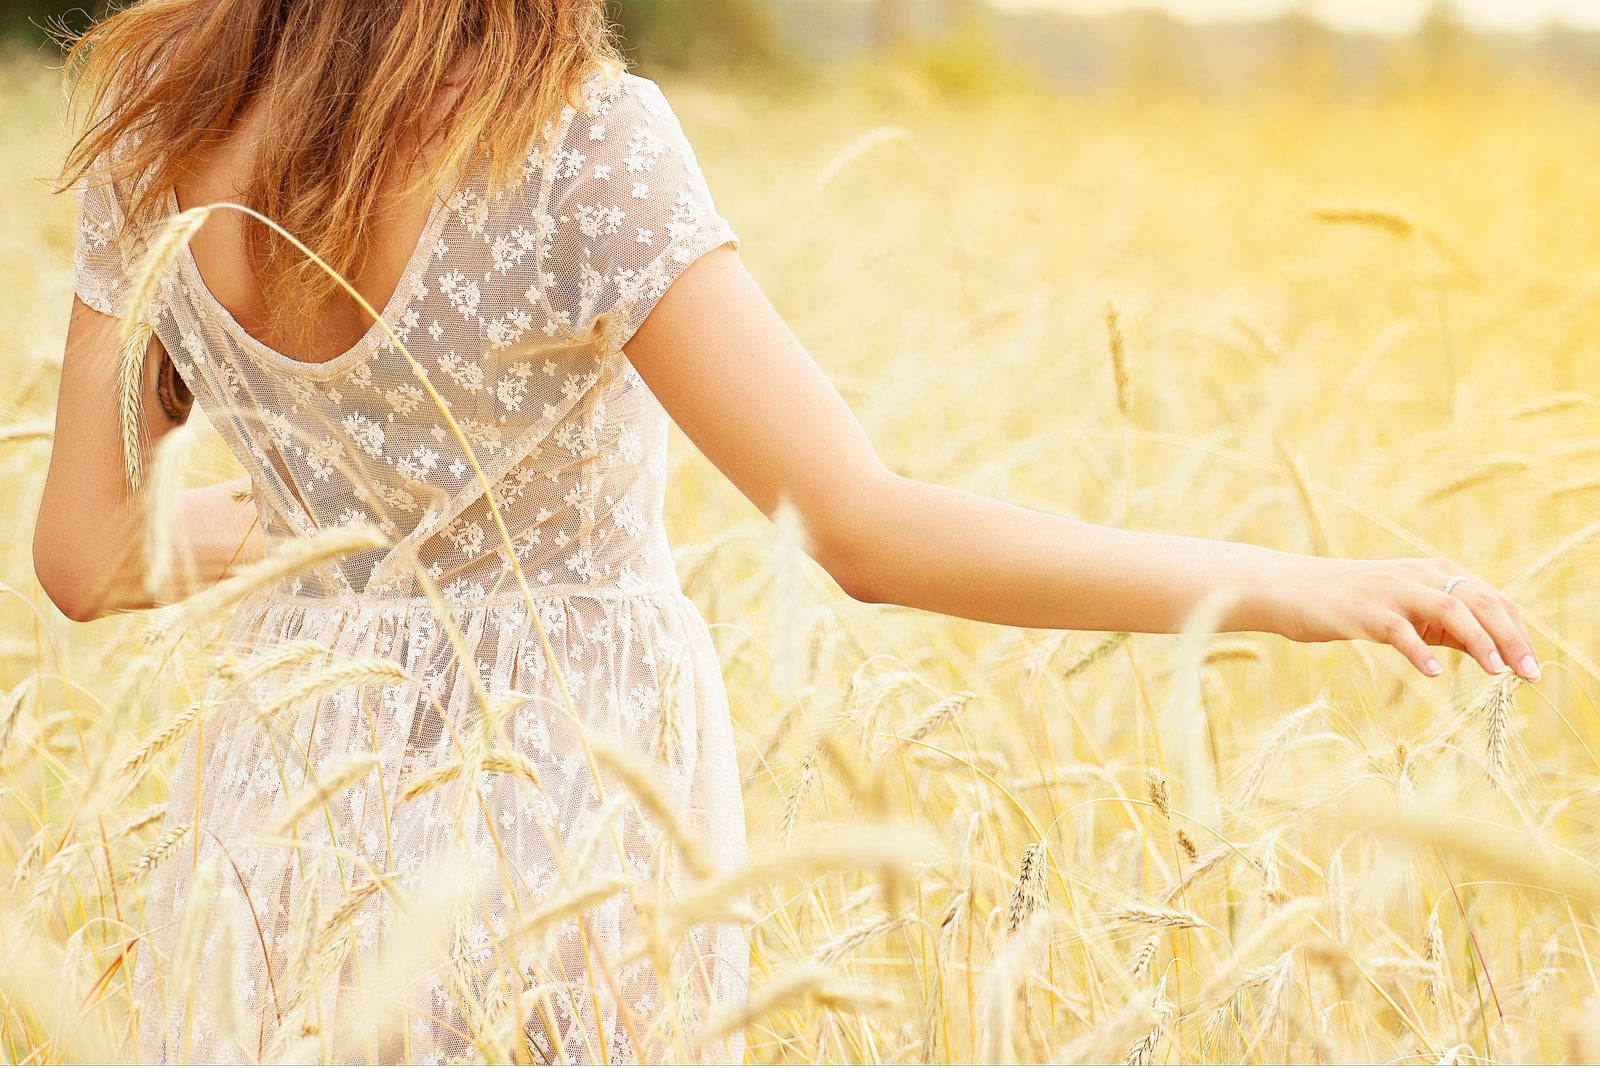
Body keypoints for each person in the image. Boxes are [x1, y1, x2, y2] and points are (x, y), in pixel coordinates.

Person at [32, 1, 1540, 1063]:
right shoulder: (574, 142)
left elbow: (84, 560)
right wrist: (1293, 582)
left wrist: (339, 533)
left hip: (290, 802)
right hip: (564, 808)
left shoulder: (153, 138)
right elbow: (865, 531)